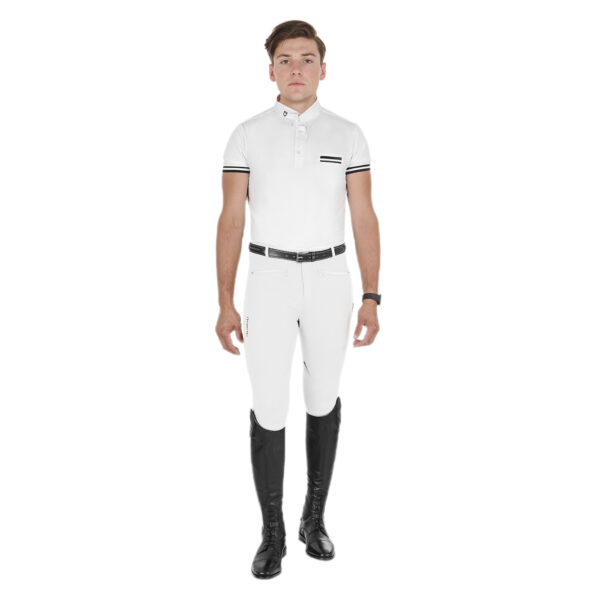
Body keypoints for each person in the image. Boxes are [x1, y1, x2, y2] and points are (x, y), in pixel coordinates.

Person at [215, 20, 381, 579]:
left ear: (323, 68)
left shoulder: (348, 135)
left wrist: (372, 295)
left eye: (307, 59)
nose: (296, 69)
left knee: (323, 396)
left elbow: (363, 216)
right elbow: (231, 219)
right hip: (269, 277)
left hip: (330, 276)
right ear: (271, 71)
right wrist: (225, 300)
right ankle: (273, 531)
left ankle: (314, 519)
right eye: (285, 60)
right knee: (268, 403)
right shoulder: (246, 134)